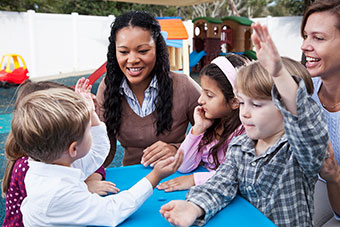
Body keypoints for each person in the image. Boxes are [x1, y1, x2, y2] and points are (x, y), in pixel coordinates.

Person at [160, 23, 328, 227]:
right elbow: (220, 184)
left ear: (285, 108)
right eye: (242, 102)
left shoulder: (297, 152)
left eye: (256, 104)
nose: (245, 112)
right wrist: (194, 207)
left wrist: (279, 74)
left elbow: (308, 126)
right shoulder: (240, 146)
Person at [12, 79, 183, 226]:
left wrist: (90, 113)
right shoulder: (58, 192)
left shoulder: (48, 163)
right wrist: (155, 176)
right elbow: (113, 211)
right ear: (73, 149)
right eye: (88, 130)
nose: (93, 129)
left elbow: (97, 152)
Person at [1, 80, 118, 227]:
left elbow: (92, 159)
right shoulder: (28, 167)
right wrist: (84, 188)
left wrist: (92, 179)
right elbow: (54, 203)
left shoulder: (58, 150)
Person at [96, 11, 201, 167]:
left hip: (175, 177)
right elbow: (103, 149)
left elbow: (215, 140)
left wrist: (177, 149)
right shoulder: (108, 87)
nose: (132, 60)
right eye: (124, 52)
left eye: (143, 51)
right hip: (131, 180)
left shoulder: (184, 86)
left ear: (157, 49)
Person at [157, 54, 246, 192]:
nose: (200, 100)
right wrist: (198, 129)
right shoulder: (210, 127)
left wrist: (194, 179)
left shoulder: (243, 133)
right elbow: (184, 166)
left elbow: (238, 177)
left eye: (209, 95)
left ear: (234, 102)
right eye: (202, 91)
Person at [301, 0, 340, 226]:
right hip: (316, 184)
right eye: (305, 36)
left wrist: (333, 177)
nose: (305, 46)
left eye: (318, 38)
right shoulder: (307, 90)